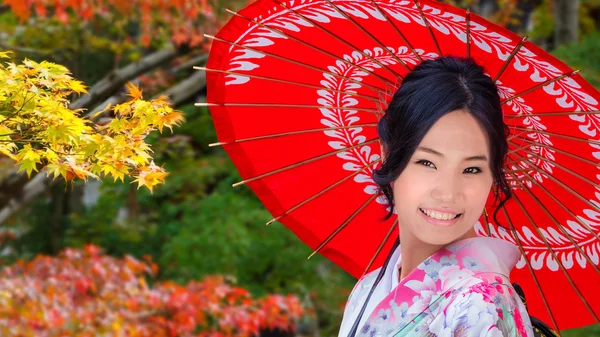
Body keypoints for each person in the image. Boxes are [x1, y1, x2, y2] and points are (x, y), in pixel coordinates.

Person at [337, 56, 546, 337]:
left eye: (471, 169)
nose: (448, 192)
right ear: (388, 154)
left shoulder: (480, 305)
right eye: (427, 163)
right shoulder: (368, 289)